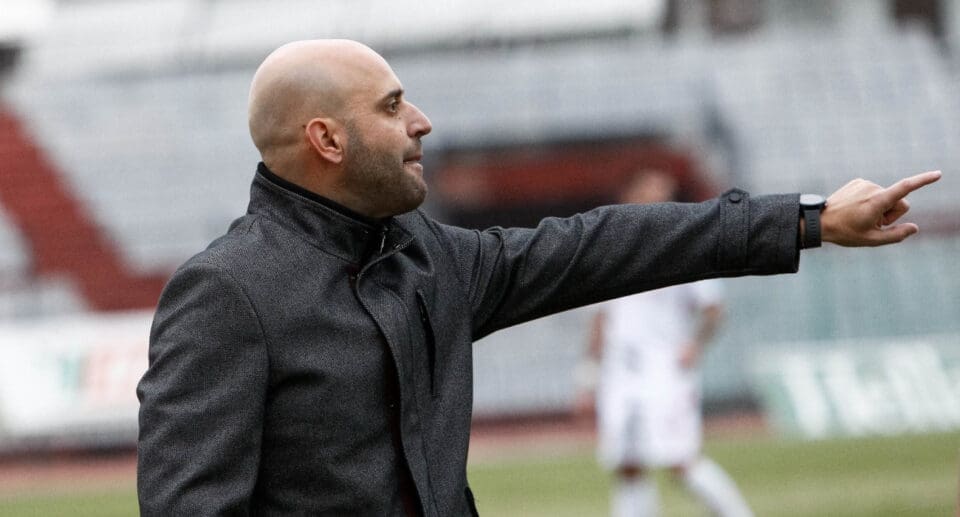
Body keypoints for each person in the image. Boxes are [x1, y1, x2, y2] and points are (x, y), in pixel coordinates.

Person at [135, 38, 941, 516]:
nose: (421, 122)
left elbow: (599, 245)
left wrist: (805, 219)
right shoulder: (227, 293)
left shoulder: (425, 255)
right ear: (327, 139)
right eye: (391, 106)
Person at [575, 169, 751, 517]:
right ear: (631, 197)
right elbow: (600, 317)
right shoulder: (611, 249)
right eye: (650, 193)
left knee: (680, 461)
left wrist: (694, 345)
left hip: (665, 369)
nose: (658, 201)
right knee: (627, 463)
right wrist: (588, 375)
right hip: (620, 372)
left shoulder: (684, 248)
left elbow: (713, 308)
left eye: (664, 195)